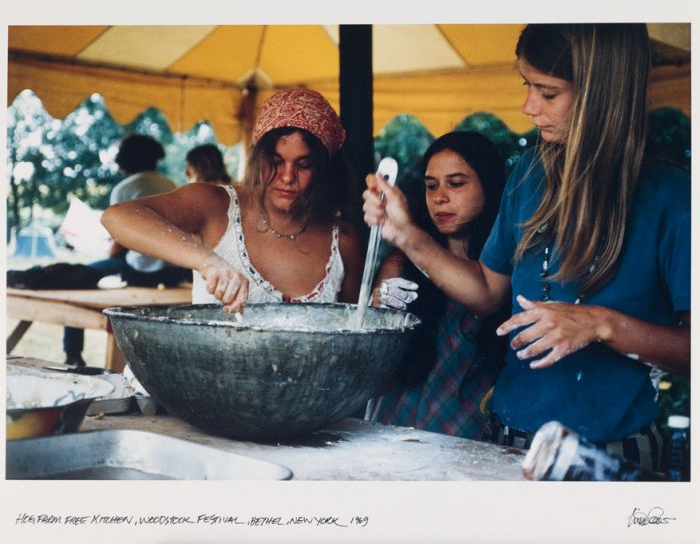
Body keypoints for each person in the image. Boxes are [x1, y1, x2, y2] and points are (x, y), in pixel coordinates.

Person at [362, 24, 690, 472]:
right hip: (509, 437)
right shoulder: (531, 174)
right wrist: (406, 235)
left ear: (603, 94)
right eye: (527, 87)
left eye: (548, 93)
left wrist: (602, 324)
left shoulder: (670, 196)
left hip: (614, 449)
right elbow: (486, 290)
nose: (528, 107)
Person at [102, 88, 364, 312]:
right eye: (275, 161)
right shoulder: (216, 206)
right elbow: (117, 217)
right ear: (257, 157)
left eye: (304, 164)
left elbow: (352, 336)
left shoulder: (344, 242)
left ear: (324, 168)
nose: (286, 176)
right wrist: (208, 262)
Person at [365, 131, 508, 441]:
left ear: (490, 186)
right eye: (431, 186)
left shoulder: (508, 271)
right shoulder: (402, 265)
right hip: (399, 432)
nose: (440, 197)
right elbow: (373, 377)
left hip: (478, 441)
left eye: (456, 184)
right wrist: (382, 325)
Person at [63, 134, 188, 366]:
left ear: (126, 160)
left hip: (139, 269)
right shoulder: (170, 185)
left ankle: (73, 355)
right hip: (172, 271)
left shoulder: (125, 189)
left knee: (78, 279)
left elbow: (119, 242)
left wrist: (110, 254)